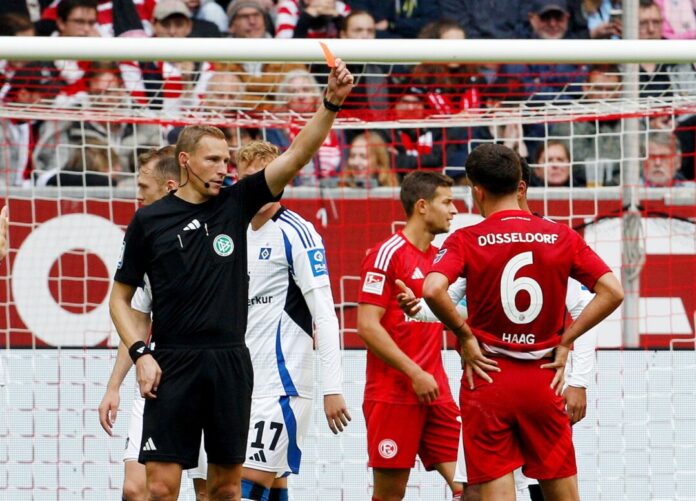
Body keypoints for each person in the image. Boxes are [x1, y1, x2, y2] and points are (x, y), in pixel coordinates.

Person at [108, 60, 353, 501]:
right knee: (160, 489)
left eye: (227, 160)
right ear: (185, 161)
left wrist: (330, 104)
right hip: (172, 364)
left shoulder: (236, 203)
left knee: (225, 489)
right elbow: (120, 301)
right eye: (214, 160)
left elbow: (297, 155)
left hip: (229, 365)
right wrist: (142, 354)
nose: (224, 168)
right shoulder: (149, 221)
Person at [422, 143, 624, 501]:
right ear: (520, 184)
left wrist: (465, 337)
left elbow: (434, 289)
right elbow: (612, 292)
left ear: (477, 190)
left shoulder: (466, 239)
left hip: (487, 378)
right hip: (544, 379)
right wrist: (565, 341)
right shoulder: (560, 235)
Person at [189, 140, 350, 501]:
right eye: (248, 179)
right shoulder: (228, 231)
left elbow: (324, 312)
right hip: (235, 387)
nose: (256, 186)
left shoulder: (297, 232)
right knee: (262, 489)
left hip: (282, 387)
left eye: (265, 178)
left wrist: (332, 387)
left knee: (239, 490)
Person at [357, 171, 463, 501]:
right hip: (393, 394)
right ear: (421, 206)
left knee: (470, 486)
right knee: (390, 495)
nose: (454, 210)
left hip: (438, 393)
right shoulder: (386, 254)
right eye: (446, 201)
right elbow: (367, 325)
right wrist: (414, 372)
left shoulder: (441, 260)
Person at [98, 146, 181, 501]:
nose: (138, 194)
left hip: (208, 373)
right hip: (155, 377)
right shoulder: (145, 236)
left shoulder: (216, 231)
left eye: (144, 185)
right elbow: (136, 317)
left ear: (170, 187)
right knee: (135, 488)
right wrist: (114, 385)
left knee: (211, 490)